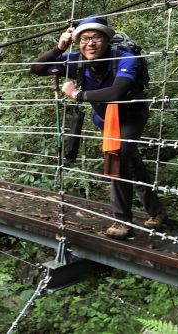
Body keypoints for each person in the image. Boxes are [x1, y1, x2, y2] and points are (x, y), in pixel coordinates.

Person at [31, 15, 166, 240]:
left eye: (96, 37)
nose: (90, 43)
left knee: (119, 155)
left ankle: (122, 220)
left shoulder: (126, 59)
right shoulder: (76, 61)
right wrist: (59, 48)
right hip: (105, 119)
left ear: (107, 40)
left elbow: (116, 93)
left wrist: (77, 94)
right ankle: (157, 210)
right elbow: (37, 68)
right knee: (130, 158)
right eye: (84, 39)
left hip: (131, 116)